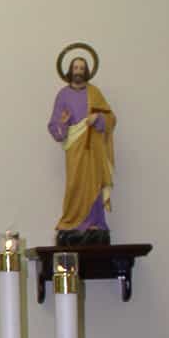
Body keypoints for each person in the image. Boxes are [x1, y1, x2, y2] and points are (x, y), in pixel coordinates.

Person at [48, 56, 118, 247]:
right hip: (75, 148)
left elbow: (111, 118)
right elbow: (55, 126)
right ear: (70, 71)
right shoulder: (63, 95)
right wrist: (63, 123)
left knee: (94, 182)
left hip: (93, 147)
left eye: (81, 68)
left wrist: (98, 118)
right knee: (75, 185)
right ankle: (72, 222)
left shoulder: (94, 93)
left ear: (86, 71)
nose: (78, 71)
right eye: (75, 67)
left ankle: (94, 223)